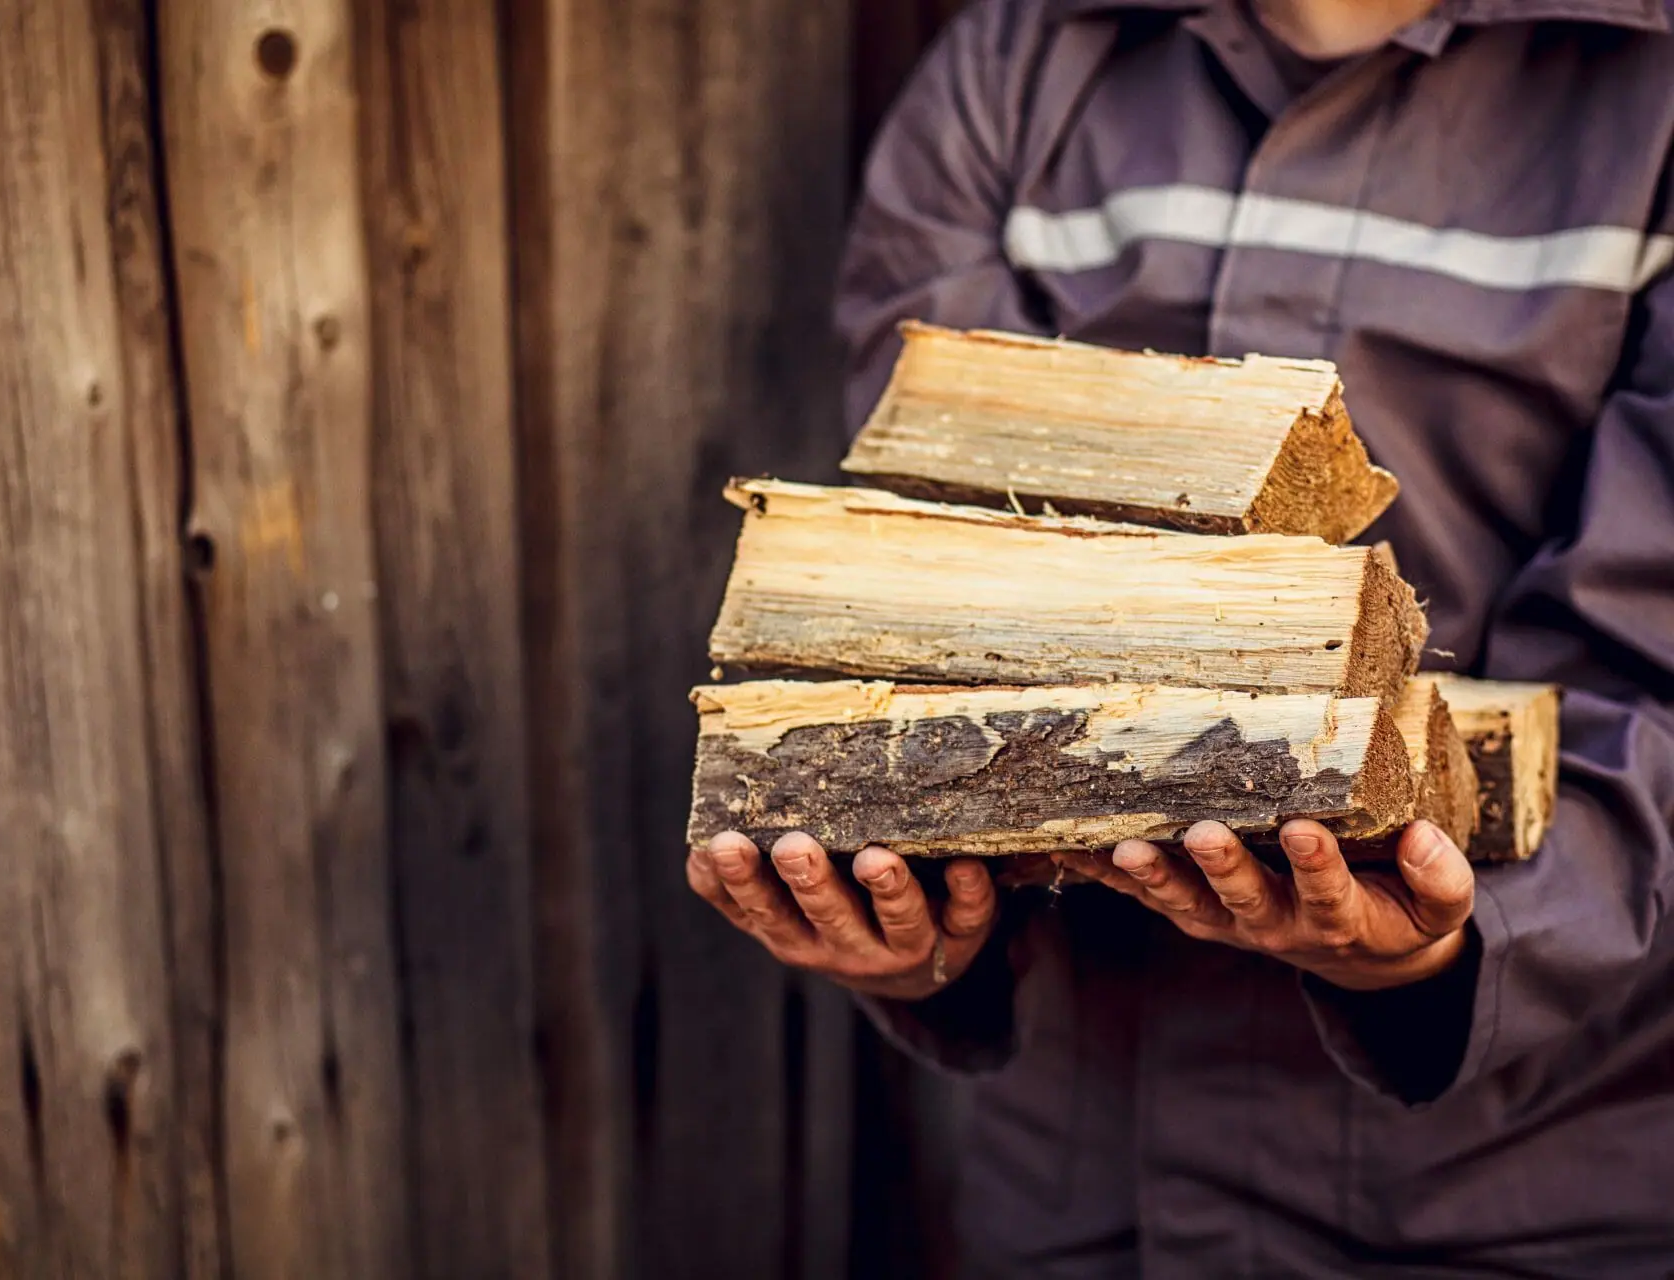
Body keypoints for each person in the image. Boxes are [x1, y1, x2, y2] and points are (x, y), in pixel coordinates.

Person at [685, 0, 1674, 1272]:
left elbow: (1653, 669)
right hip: (1083, 1202)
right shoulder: (1018, 62)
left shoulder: (1646, 91)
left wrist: (1437, 948)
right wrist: (926, 920)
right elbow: (932, 600)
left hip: (1517, 1206)